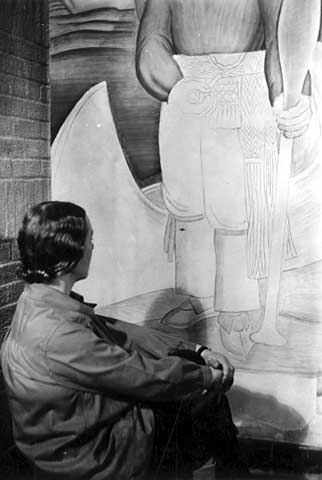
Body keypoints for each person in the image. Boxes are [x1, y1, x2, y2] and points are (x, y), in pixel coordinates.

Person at [1, 201, 247, 480]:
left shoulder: (38, 300)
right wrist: (207, 377)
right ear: (69, 251)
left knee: (189, 376)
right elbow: (140, 375)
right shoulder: (58, 332)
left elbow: (119, 331)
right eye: (89, 240)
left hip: (69, 428)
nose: (92, 247)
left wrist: (197, 349)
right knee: (208, 404)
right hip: (87, 452)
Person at [135, 0, 322, 356]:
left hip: (243, 94)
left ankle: (237, 308)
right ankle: (193, 296)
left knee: (235, 209)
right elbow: (152, 42)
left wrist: (290, 98)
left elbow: (279, 43)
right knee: (187, 207)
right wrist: (173, 84)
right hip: (186, 98)